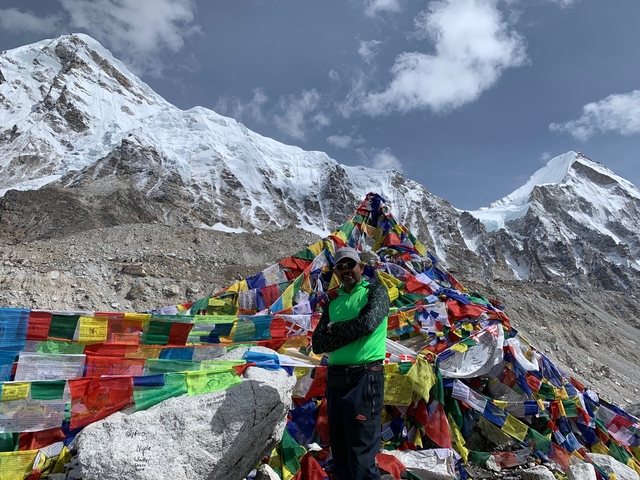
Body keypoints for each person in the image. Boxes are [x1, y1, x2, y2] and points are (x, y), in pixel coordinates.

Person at [312, 246, 390, 480]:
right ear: (335, 271)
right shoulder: (332, 303)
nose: (346, 270)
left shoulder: (376, 293)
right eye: (340, 266)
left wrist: (333, 329)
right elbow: (317, 343)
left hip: (364, 379)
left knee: (361, 453)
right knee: (341, 450)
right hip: (336, 380)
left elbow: (367, 324)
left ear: (361, 267)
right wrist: (344, 331)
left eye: (350, 265)